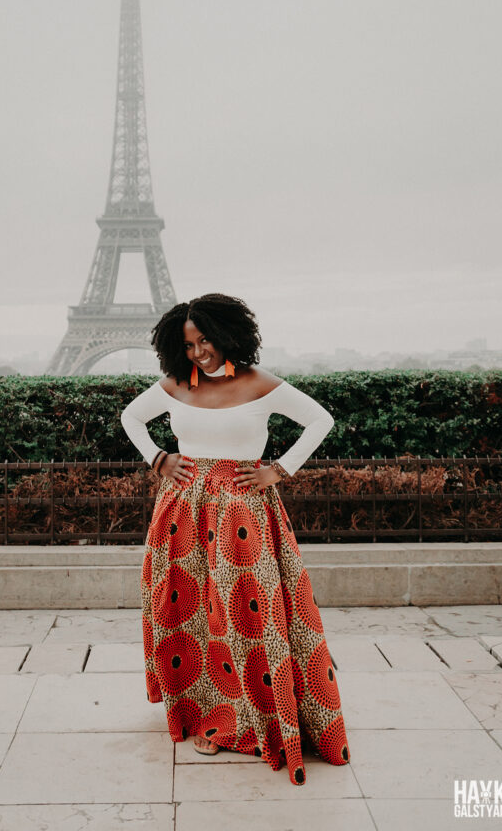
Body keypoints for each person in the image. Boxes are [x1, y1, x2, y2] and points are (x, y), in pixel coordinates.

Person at [120, 292, 351, 786]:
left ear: (229, 335)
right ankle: (203, 710)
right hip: (181, 509)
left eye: (205, 340)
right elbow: (130, 418)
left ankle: (250, 715)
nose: (199, 352)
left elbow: (320, 421)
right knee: (190, 612)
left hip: (243, 512)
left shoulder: (260, 383)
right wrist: (159, 459)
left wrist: (279, 470)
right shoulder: (175, 384)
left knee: (245, 612)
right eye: (188, 344)